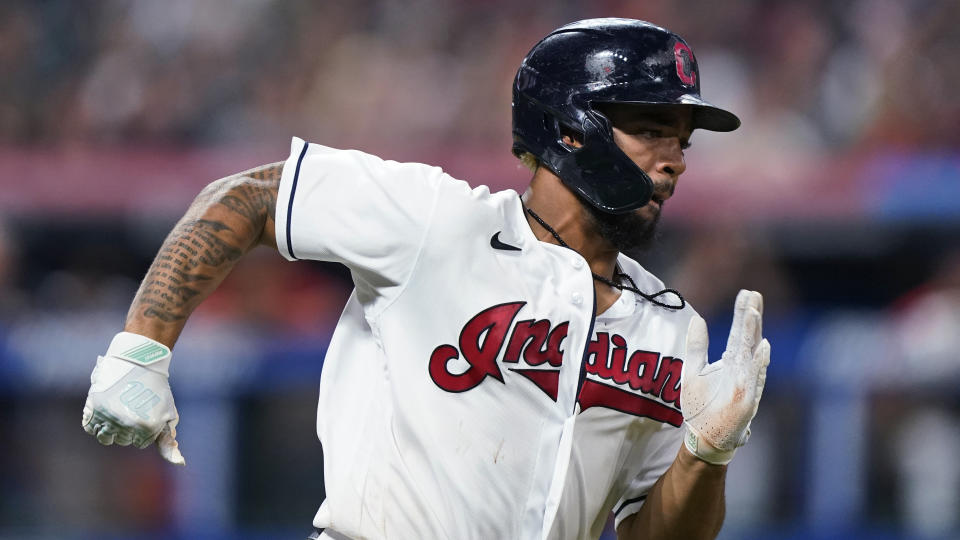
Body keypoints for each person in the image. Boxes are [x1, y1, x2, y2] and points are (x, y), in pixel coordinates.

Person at [82, 18, 770, 540]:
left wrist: (707, 453)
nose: (674, 159)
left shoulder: (672, 326)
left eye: (683, 139)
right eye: (651, 128)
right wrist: (142, 345)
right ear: (568, 129)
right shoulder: (437, 221)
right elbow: (251, 196)